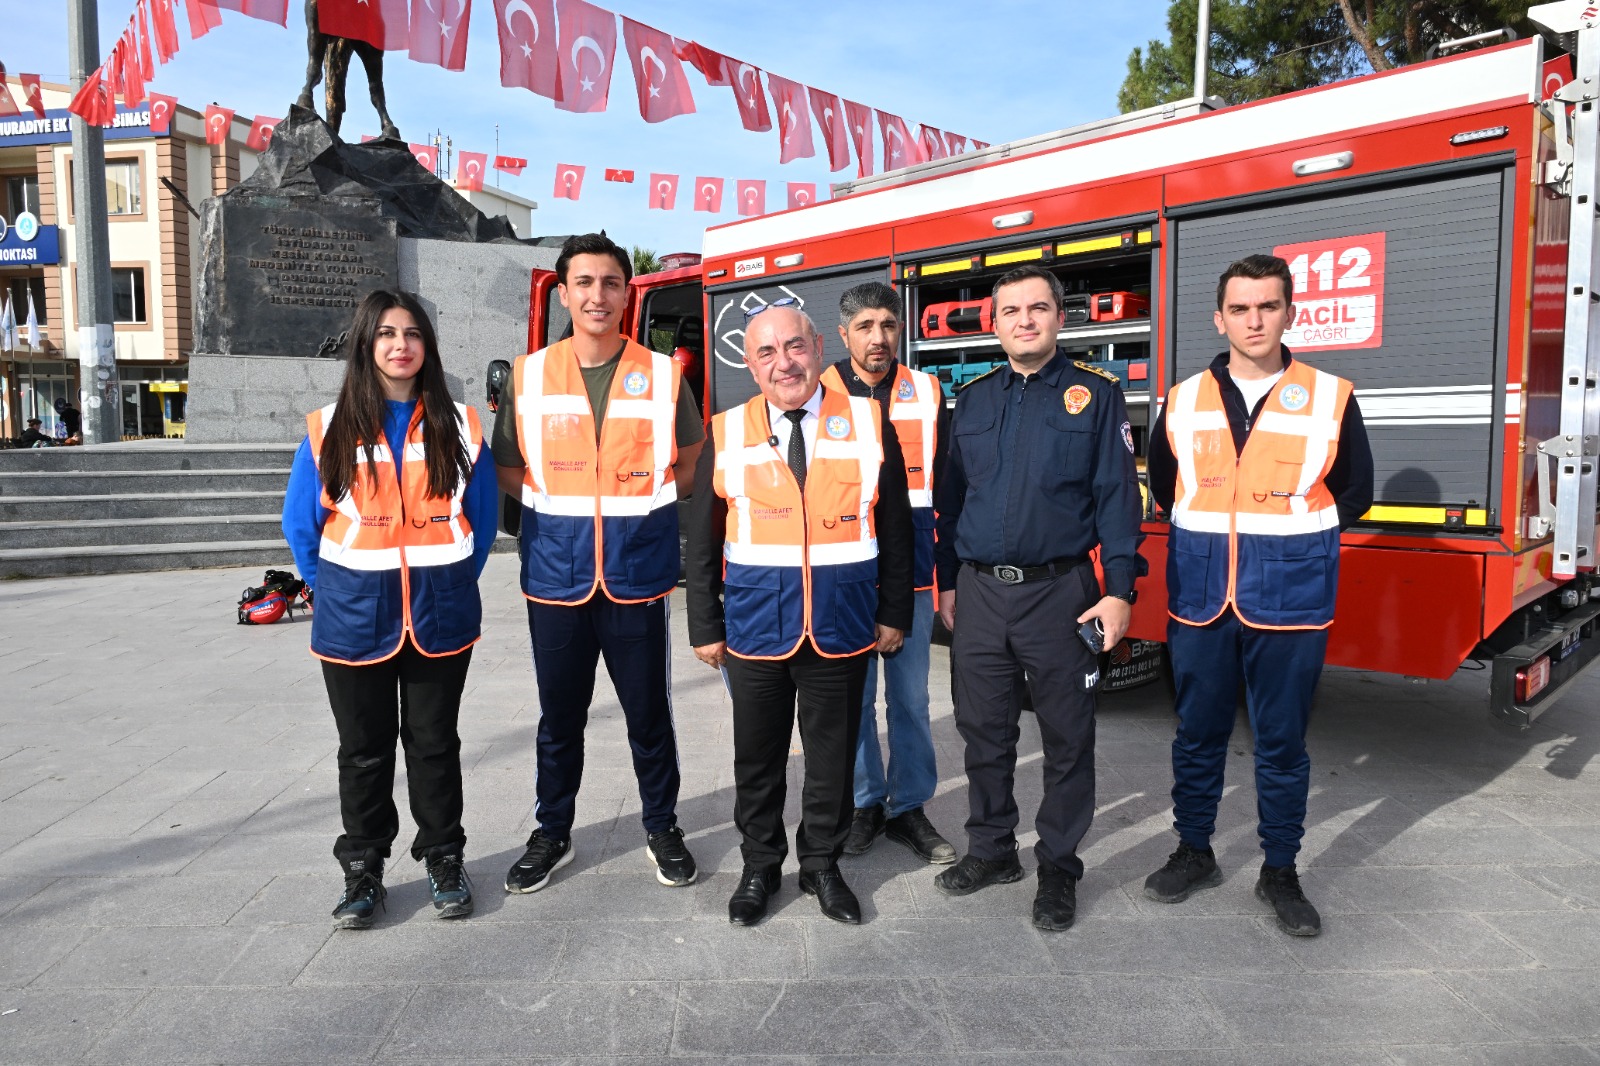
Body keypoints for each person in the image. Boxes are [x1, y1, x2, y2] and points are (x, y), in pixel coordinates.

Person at [1142, 254, 1373, 937]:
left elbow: (1354, 491)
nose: (1254, 320)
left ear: (1289, 313)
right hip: (1202, 596)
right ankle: (1194, 851)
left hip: (1291, 597)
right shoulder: (1182, 399)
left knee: (1281, 743)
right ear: (1219, 319)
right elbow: (1166, 487)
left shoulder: (1331, 395)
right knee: (1197, 735)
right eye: (1240, 308)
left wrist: (1293, 539)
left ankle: (1280, 870)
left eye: (1268, 306)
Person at [685, 302, 913, 926]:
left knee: (832, 761)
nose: (783, 362)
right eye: (767, 351)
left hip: (842, 625)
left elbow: (896, 528)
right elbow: (702, 539)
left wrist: (894, 610)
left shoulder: (867, 421)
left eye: (794, 346)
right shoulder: (726, 430)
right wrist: (705, 624)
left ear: (817, 348)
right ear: (749, 364)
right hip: (755, 628)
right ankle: (760, 866)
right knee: (757, 760)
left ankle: (821, 865)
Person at [492, 232, 704, 895]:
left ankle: (662, 826)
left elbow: (689, 464)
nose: (597, 295)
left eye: (611, 282)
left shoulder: (662, 375)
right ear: (563, 292)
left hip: (636, 577)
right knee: (559, 720)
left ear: (626, 294)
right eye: (584, 282)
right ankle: (552, 832)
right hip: (556, 579)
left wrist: (637, 512)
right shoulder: (529, 376)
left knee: (649, 716)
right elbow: (508, 470)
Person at [933, 264, 1142, 932]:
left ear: (1059, 316)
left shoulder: (1096, 394)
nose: (1025, 320)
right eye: (1011, 311)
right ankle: (992, 849)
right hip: (980, 593)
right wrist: (946, 581)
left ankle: (1058, 867)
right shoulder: (971, 401)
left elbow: (1118, 498)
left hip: (1061, 593)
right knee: (983, 731)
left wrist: (1120, 590)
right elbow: (949, 501)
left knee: (1067, 738)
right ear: (994, 323)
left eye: (1038, 308)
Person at [281, 288, 498, 929]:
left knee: (435, 745)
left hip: (440, 614)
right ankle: (364, 868)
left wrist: (448, 581)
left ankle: (444, 858)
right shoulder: (328, 427)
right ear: (365, 344)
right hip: (353, 617)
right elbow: (302, 526)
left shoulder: (461, 425)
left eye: (412, 333)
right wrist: (335, 590)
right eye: (386, 334)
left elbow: (481, 523)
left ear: (427, 345)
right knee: (363, 750)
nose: (400, 345)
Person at [818, 282, 955, 865]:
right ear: (843, 334)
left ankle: (910, 807)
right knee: (852, 702)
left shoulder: (927, 391)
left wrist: (949, 580)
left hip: (915, 576)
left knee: (911, 701)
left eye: (888, 325)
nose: (879, 337)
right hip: (842, 574)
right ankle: (865, 803)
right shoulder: (816, 392)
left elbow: (949, 491)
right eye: (865, 327)